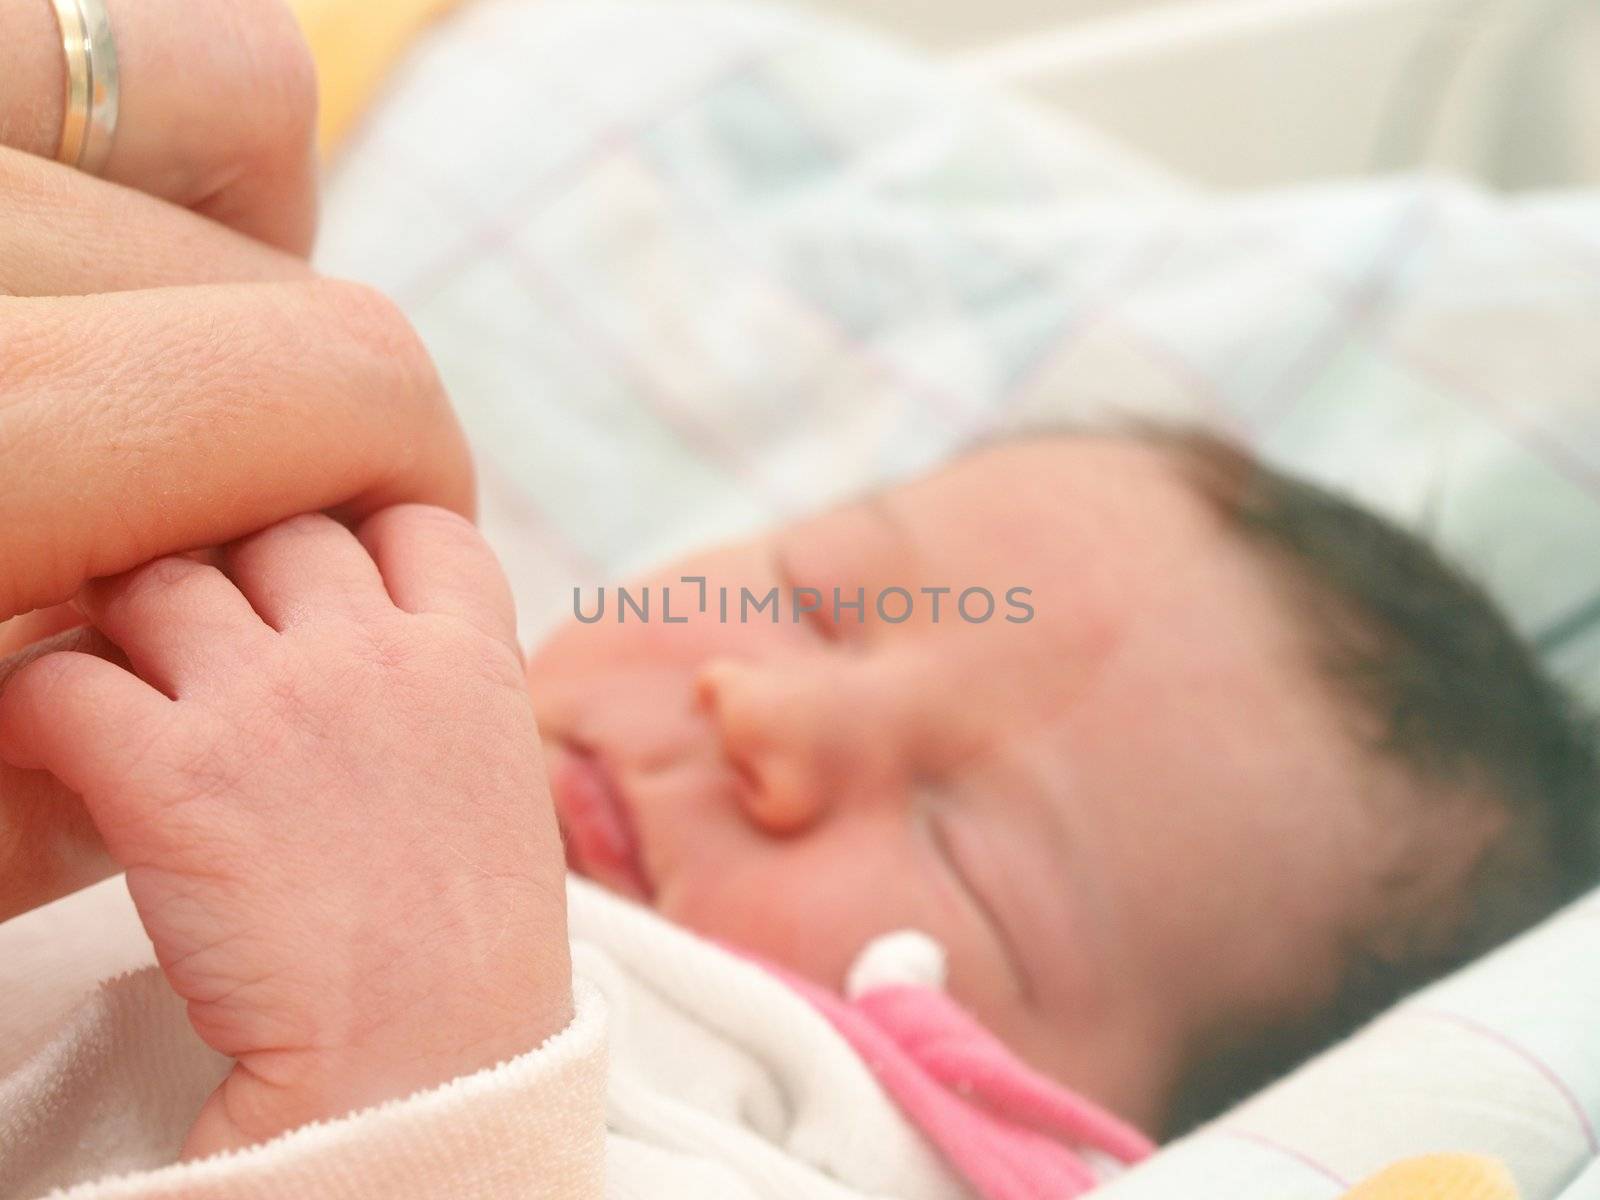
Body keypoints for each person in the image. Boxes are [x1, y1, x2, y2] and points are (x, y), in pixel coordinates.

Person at [0, 3, 1595, 1198]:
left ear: (1057, 1138)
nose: (765, 718)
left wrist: (419, 1061)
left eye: (967, 854)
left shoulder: (801, 1133)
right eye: (820, 602)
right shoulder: (381, 608)